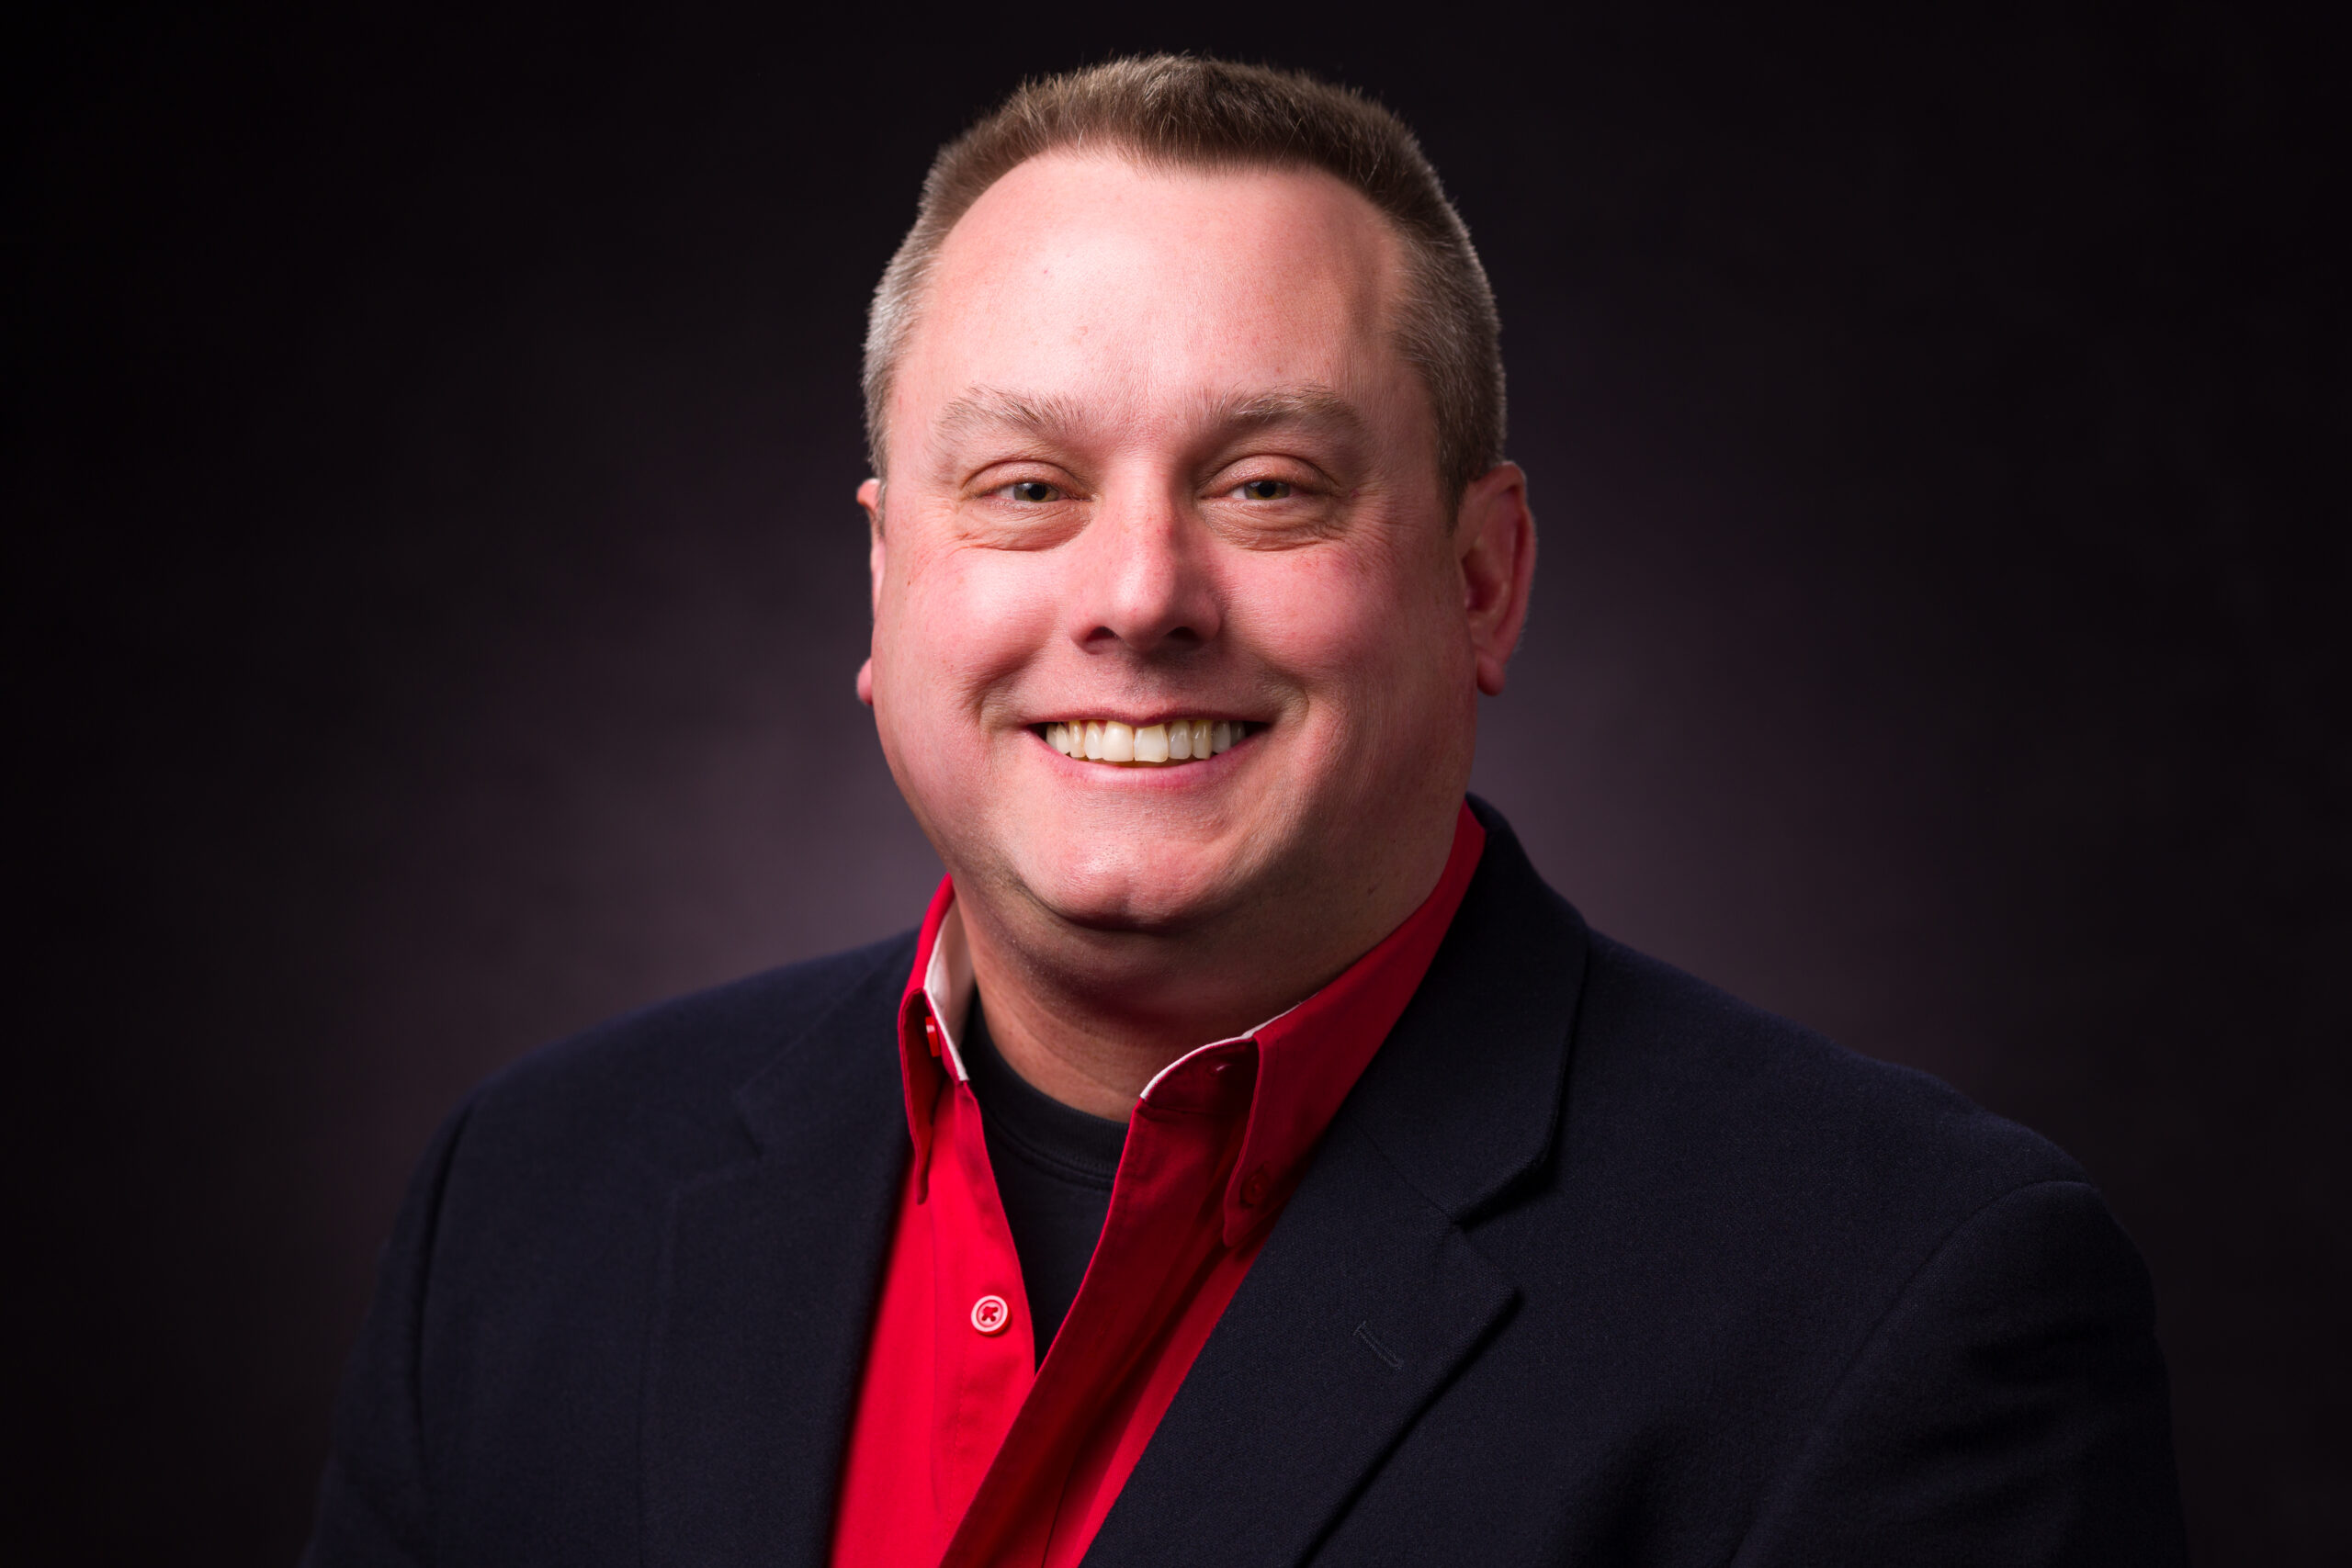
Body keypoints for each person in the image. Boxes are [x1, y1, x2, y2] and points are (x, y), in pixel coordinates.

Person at [303, 56, 2188, 1567]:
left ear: (1479, 579)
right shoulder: (529, 1196)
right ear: (883, 588)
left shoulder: (1903, 1296)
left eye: (1268, 484)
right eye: (1025, 486)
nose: (1136, 594)